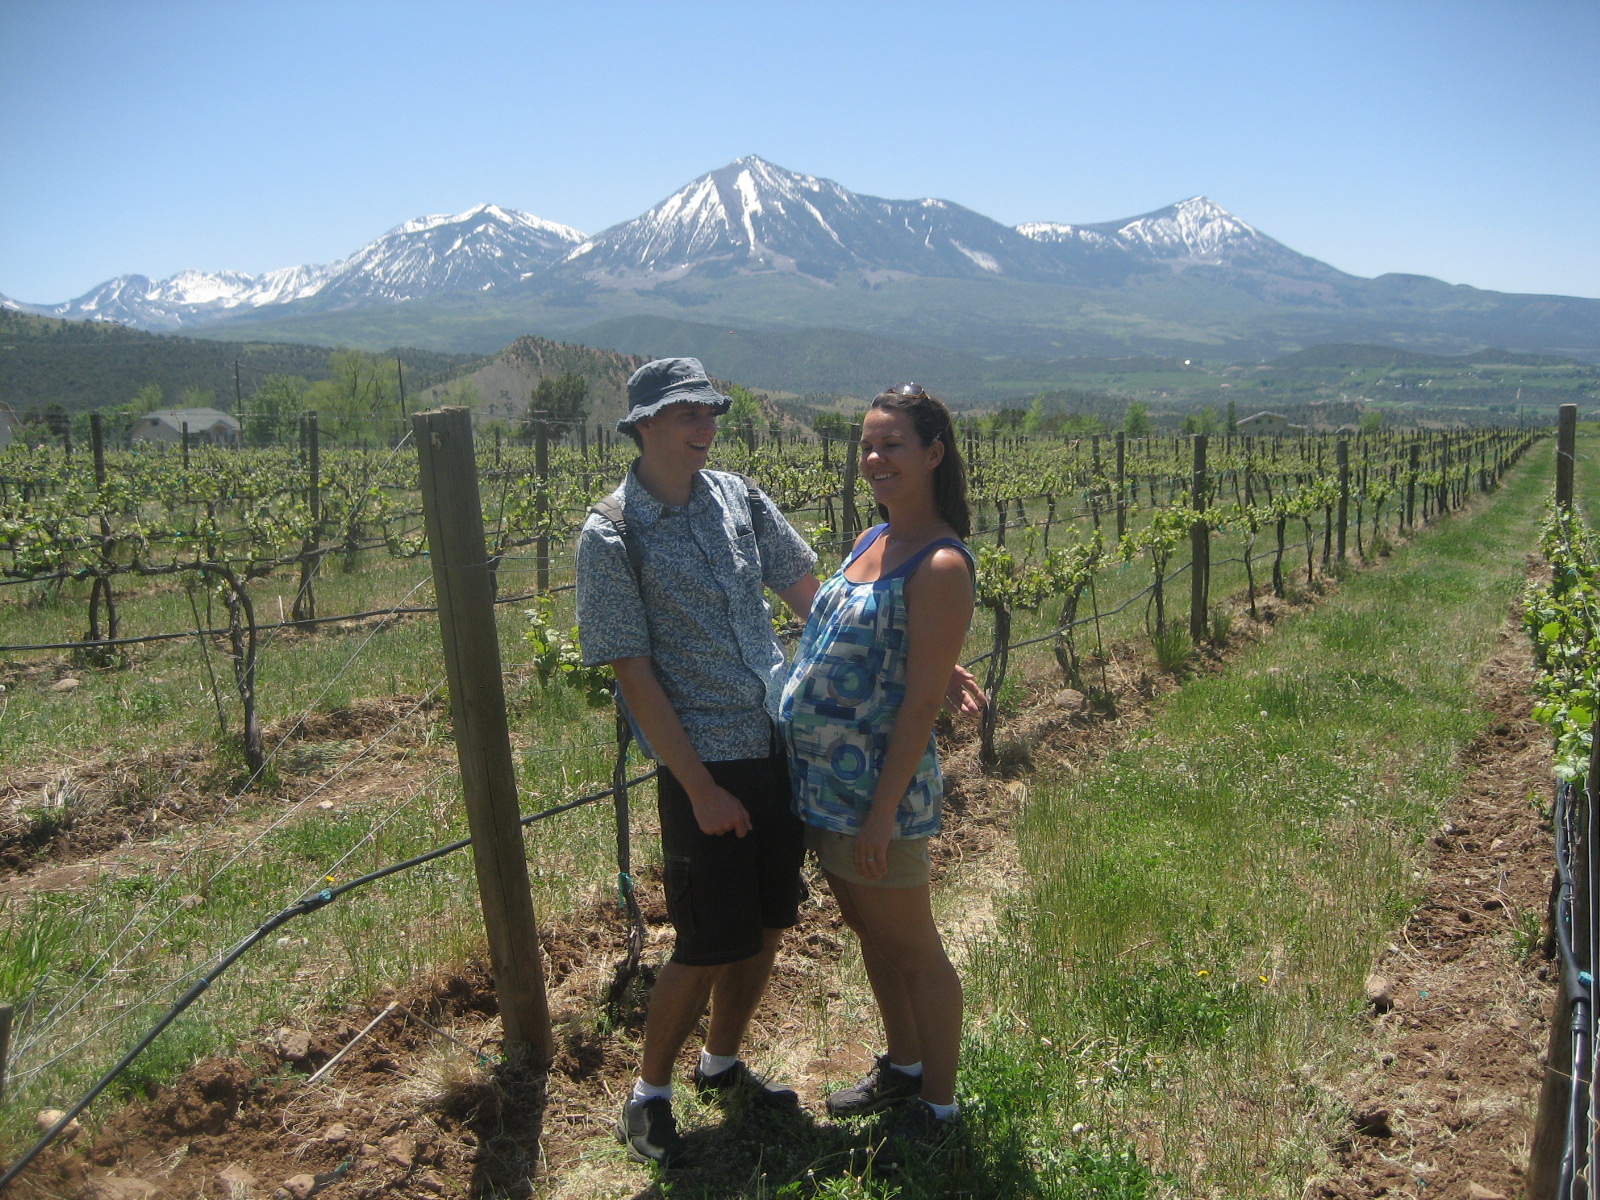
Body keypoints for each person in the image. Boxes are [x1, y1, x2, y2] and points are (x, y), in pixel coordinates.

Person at [576, 357, 820, 1167]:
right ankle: (648, 1096)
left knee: (769, 923)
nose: (706, 426)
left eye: (711, 411)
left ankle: (722, 1063)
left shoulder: (740, 499)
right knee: (705, 942)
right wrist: (700, 787)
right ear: (644, 425)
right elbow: (634, 674)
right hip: (703, 763)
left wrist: (893, 656)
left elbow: (810, 594)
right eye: (689, 414)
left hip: (774, 742)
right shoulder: (612, 533)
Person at [779, 382, 976, 1167]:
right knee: (873, 936)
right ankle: (904, 1067)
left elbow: (920, 704)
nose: (874, 457)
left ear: (933, 454)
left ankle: (939, 1111)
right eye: (866, 443)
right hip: (825, 787)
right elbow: (855, 634)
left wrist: (881, 815)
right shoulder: (872, 537)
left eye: (892, 443)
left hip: (873, 798)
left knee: (914, 949)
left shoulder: (941, 563)